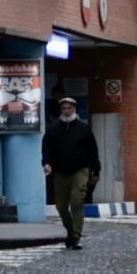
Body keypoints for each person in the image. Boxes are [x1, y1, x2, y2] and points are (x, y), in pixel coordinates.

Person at [41, 95, 101, 250]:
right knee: (61, 206)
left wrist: (96, 170)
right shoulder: (53, 129)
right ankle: (70, 231)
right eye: (63, 109)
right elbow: (46, 148)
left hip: (80, 170)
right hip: (60, 172)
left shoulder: (83, 128)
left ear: (74, 109)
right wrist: (46, 163)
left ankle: (76, 236)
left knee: (76, 201)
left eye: (69, 108)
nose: (66, 111)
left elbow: (93, 151)